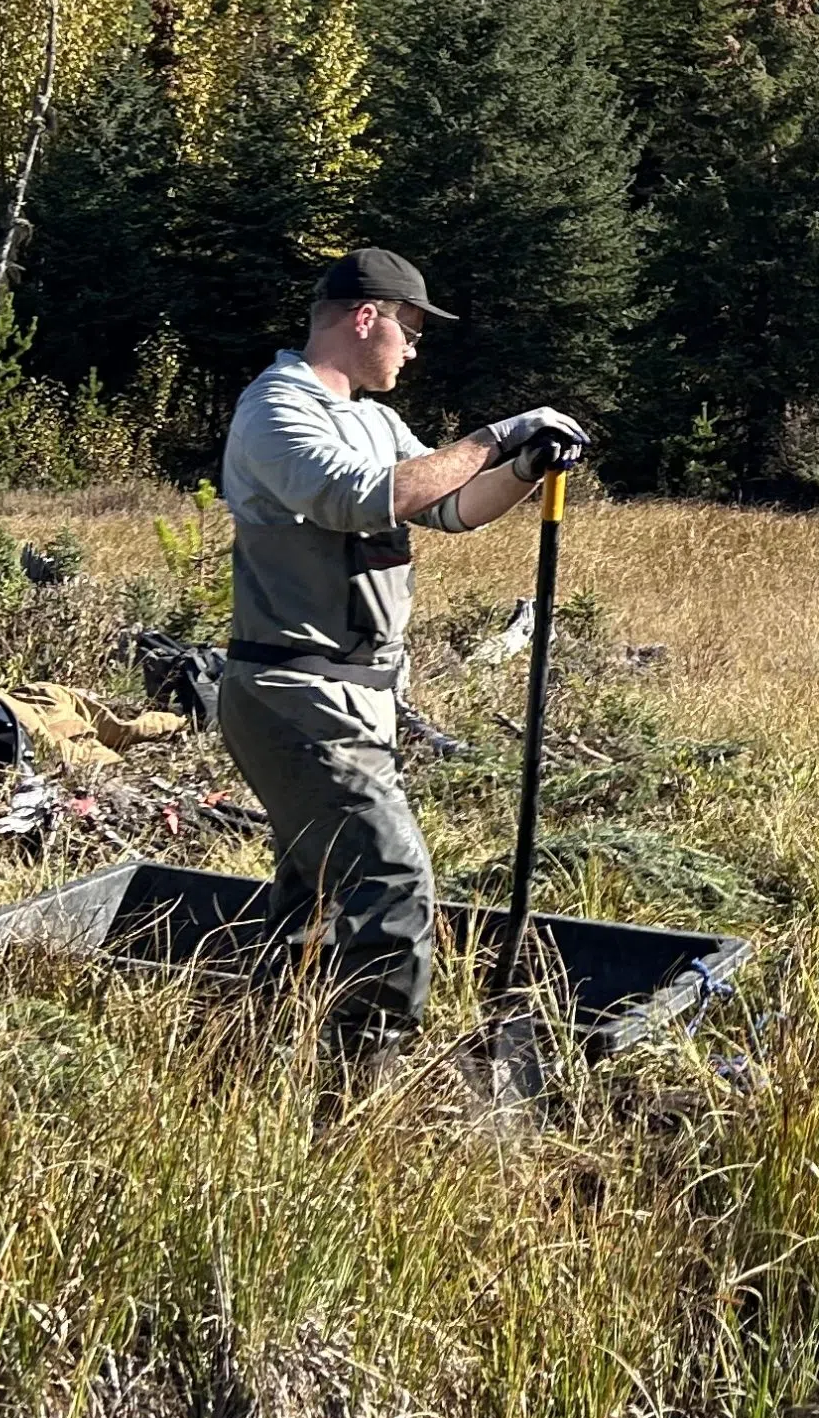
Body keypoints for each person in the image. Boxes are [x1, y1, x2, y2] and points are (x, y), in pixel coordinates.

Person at [219, 246, 588, 1050]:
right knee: (390, 884)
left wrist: (520, 467)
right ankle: (365, 1083)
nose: (414, 350)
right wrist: (496, 435)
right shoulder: (276, 407)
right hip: (294, 692)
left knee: (316, 894)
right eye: (410, 331)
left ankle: (271, 1055)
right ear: (365, 318)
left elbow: (448, 506)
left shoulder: (373, 418)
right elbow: (355, 499)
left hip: (356, 695)